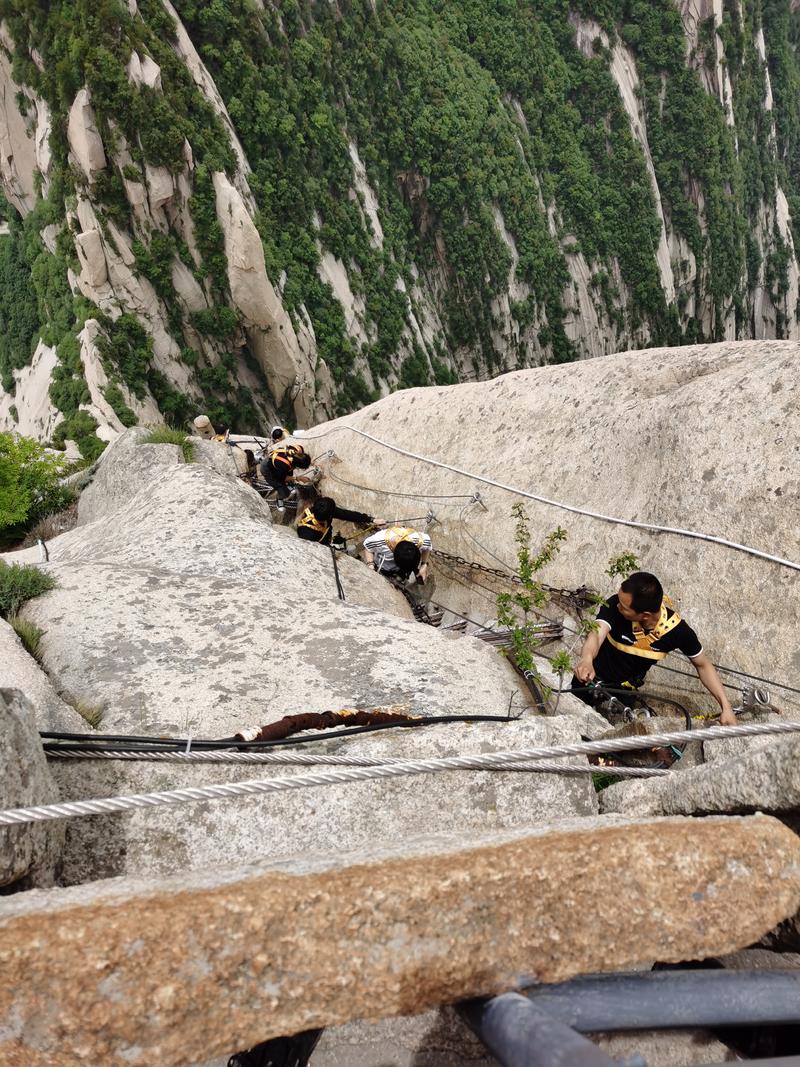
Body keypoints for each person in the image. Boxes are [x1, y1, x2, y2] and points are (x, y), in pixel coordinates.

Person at [572, 571, 737, 725]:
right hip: (590, 677)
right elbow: (597, 634)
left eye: (624, 607)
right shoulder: (615, 604)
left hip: (624, 691)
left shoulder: (676, 631)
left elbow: (703, 665)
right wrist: (587, 659)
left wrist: (726, 707)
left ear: (645, 615)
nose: (618, 606)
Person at [296, 496, 378, 546]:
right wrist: (332, 543)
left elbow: (347, 514)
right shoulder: (306, 533)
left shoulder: (322, 509)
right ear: (330, 516)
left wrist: (371, 519)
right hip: (319, 544)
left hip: (324, 536)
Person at [363, 525, 432, 582]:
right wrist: (370, 565)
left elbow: (427, 548)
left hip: (403, 568)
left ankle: (402, 574)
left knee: (405, 571)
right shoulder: (380, 540)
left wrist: (424, 564)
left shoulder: (421, 540)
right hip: (383, 566)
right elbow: (367, 548)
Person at [259, 443, 311, 508]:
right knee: (284, 491)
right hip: (268, 469)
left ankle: (289, 485)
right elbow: (282, 478)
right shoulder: (285, 465)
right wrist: (299, 478)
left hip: (274, 460)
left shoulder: (296, 450)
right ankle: (279, 499)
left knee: (289, 471)